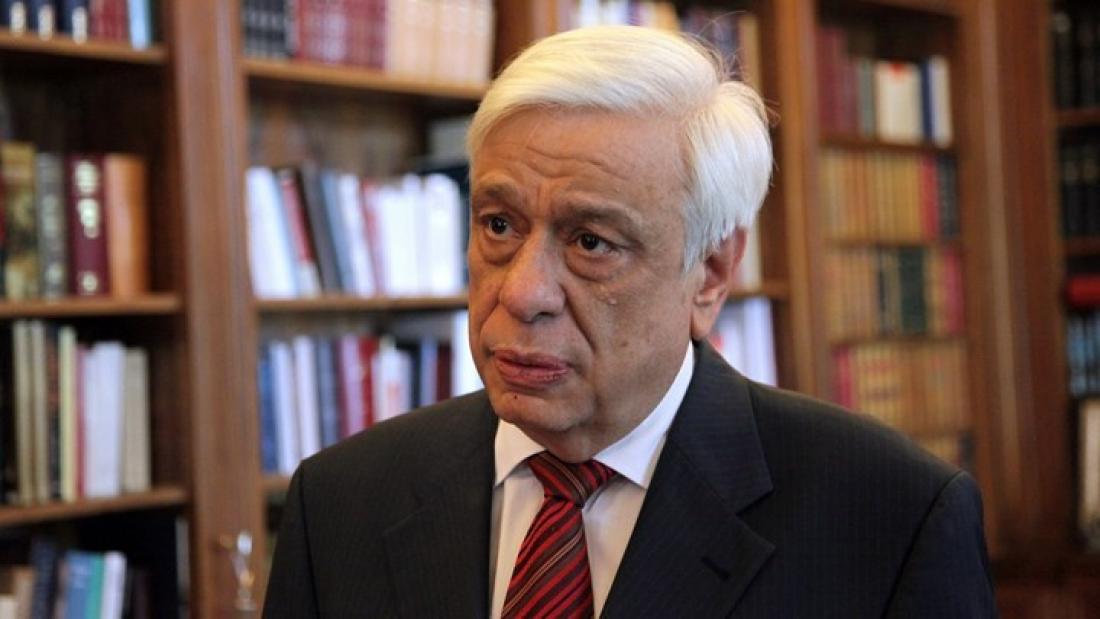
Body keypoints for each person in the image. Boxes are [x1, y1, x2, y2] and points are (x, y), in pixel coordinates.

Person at [263, 25, 996, 617]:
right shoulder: (340, 503)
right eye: (498, 225)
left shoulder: (890, 519)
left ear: (710, 273)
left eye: (591, 242)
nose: (523, 292)